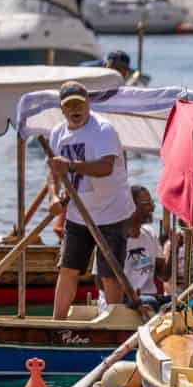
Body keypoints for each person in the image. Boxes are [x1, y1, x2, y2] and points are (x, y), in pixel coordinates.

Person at [47, 81, 135, 320]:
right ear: (62, 109)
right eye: (70, 106)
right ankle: (57, 323)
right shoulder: (57, 133)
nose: (75, 110)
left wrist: (72, 166)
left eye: (80, 104)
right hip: (78, 214)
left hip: (112, 213)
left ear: (88, 104)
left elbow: (106, 167)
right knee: (67, 269)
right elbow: (53, 170)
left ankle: (114, 322)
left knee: (109, 274)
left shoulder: (103, 130)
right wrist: (54, 196)